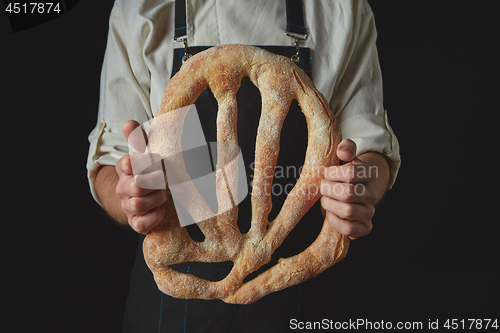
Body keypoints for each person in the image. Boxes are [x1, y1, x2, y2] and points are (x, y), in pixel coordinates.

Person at [87, 0, 400, 331]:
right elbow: (109, 162)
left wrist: (361, 182)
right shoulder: (140, 8)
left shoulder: (342, 8)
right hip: (174, 310)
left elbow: (369, 150)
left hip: (302, 302)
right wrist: (128, 194)